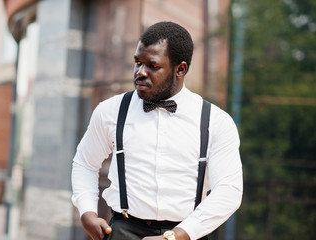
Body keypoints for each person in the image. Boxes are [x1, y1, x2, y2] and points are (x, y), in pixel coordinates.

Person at [71, 21, 243, 240]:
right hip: (123, 231)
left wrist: (177, 235)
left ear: (180, 69)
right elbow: (85, 163)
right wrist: (87, 212)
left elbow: (229, 191)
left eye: (152, 66)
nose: (140, 72)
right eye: (137, 62)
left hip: (188, 233)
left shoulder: (215, 122)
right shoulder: (111, 111)